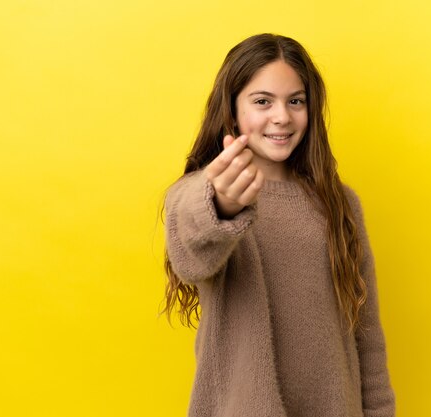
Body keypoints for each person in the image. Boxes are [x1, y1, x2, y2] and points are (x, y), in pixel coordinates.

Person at [161, 33, 395, 417]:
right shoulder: (201, 193)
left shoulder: (340, 205)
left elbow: (366, 338)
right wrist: (222, 205)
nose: (282, 116)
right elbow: (191, 253)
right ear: (233, 111)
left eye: (295, 101)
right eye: (262, 101)